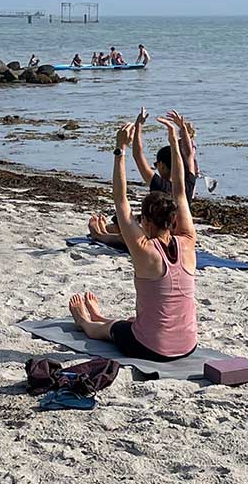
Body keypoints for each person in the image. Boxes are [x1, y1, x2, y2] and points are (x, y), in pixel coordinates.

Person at [68, 110, 200, 362]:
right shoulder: (188, 240)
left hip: (153, 349)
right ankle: (100, 316)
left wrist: (120, 149)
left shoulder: (143, 249)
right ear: (172, 220)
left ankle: (88, 322)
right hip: (189, 344)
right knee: (133, 321)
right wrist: (174, 140)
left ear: (147, 222)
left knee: (110, 330)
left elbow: (121, 200)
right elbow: (181, 191)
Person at [86, 107, 200, 246]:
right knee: (118, 225)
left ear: (162, 165)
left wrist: (138, 126)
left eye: (156, 164)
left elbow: (138, 155)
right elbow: (188, 154)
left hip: (160, 234)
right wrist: (181, 128)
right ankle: (105, 232)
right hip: (181, 233)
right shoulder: (188, 182)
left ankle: (99, 235)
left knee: (126, 235)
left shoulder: (160, 184)